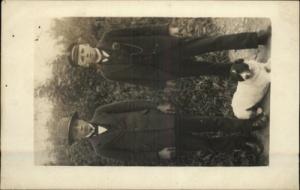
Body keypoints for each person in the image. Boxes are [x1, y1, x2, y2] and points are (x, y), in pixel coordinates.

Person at [58, 100, 266, 165]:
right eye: (76, 132)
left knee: (209, 122)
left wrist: (157, 106)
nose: (81, 128)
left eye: (77, 124)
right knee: (205, 144)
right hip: (162, 142)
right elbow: (132, 157)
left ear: (80, 119)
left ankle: (248, 127)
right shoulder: (101, 149)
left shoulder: (101, 112)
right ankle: (243, 143)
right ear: (77, 139)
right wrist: (158, 155)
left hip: (164, 119)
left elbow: (131, 104)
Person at [68, 24, 271, 88]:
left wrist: (166, 30)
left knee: (211, 43)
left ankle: (255, 38)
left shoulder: (108, 37)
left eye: (84, 52)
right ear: (86, 65)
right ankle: (242, 71)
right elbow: (136, 80)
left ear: (86, 45)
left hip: (167, 48)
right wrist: (162, 83)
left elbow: (140, 31)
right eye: (84, 59)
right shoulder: (108, 73)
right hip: (165, 70)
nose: (87, 56)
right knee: (206, 69)